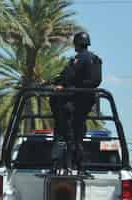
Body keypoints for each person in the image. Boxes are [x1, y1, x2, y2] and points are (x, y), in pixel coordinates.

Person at [49, 31, 102, 174]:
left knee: (62, 134)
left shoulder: (78, 59)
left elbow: (67, 76)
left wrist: (58, 84)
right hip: (86, 103)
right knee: (78, 136)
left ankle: (56, 166)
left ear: (76, 44)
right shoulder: (95, 59)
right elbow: (96, 81)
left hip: (72, 102)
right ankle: (80, 167)